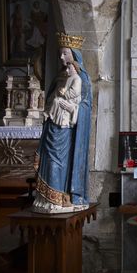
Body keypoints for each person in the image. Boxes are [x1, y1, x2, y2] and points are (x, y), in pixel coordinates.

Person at [32, 34, 91, 213]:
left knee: (58, 160)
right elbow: (52, 97)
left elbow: (85, 106)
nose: (61, 57)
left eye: (65, 53)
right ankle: (46, 198)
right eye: (60, 54)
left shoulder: (82, 79)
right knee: (49, 158)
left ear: (74, 56)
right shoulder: (60, 77)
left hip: (66, 127)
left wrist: (72, 108)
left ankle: (60, 196)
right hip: (52, 123)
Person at [45, 61, 82, 128]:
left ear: (75, 69)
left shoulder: (77, 78)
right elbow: (65, 87)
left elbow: (75, 92)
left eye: (69, 68)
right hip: (65, 97)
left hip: (71, 99)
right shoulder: (69, 77)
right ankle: (51, 115)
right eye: (67, 68)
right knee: (55, 100)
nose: (67, 70)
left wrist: (64, 94)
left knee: (56, 101)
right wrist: (62, 90)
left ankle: (51, 115)